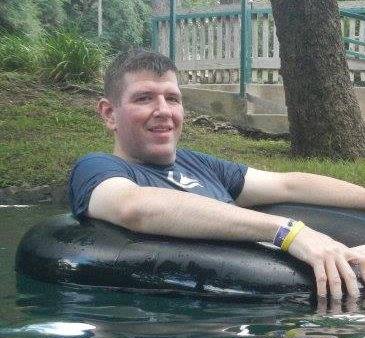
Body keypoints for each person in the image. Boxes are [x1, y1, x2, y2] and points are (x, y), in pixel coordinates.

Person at [69, 50, 365, 300]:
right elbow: (134, 208)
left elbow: (287, 185)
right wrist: (288, 233)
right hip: (209, 315)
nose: (163, 111)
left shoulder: (197, 164)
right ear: (109, 114)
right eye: (144, 98)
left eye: (172, 99)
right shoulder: (96, 168)